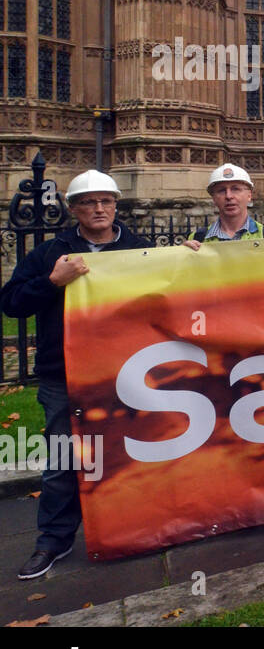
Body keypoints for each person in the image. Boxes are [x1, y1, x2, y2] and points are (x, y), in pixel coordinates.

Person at [1, 170, 150, 579]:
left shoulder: (141, 248)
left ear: (116, 205)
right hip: (64, 375)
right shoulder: (52, 253)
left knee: (130, 453)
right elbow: (11, 302)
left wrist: (193, 258)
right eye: (89, 202)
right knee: (64, 460)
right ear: (73, 209)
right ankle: (54, 539)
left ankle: (131, 527)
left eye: (106, 201)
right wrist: (52, 282)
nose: (99, 209)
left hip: (126, 374)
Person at [182, 163, 264, 250]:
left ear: (249, 195)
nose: (228, 196)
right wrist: (183, 255)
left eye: (235, 189)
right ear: (214, 198)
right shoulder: (197, 238)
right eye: (221, 190)